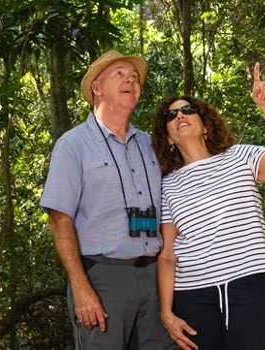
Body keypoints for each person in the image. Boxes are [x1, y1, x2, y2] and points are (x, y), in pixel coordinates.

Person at [153, 63, 265, 350]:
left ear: (206, 125)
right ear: (168, 138)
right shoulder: (168, 185)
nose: (180, 116)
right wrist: (166, 312)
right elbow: (167, 254)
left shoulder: (240, 157)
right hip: (192, 295)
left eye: (188, 110)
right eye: (171, 115)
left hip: (250, 284)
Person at [42, 49, 175, 350]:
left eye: (134, 77)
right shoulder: (73, 145)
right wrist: (81, 288)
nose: (130, 80)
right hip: (104, 277)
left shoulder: (150, 144)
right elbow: (59, 219)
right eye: (120, 74)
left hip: (154, 278)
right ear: (97, 88)